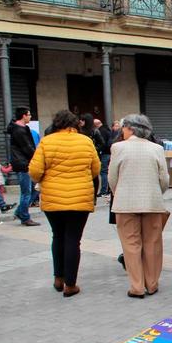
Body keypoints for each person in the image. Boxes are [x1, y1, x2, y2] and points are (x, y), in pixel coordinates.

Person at [29, 109, 101, 297]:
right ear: (75, 124)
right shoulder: (86, 141)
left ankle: (58, 278)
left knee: (57, 236)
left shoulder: (46, 142)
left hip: (53, 198)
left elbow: (35, 172)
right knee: (73, 240)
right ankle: (71, 285)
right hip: (79, 198)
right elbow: (96, 169)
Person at [109, 114, 170, 299]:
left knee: (130, 245)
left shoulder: (118, 148)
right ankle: (152, 284)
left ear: (131, 128)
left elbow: (112, 177)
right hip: (152, 203)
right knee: (152, 243)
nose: (122, 132)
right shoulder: (157, 148)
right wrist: (156, 192)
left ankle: (136, 286)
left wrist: (118, 192)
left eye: (124, 128)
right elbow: (164, 179)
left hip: (125, 203)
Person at [7, 106, 40, 227]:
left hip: (25, 162)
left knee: (35, 189)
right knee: (27, 191)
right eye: (29, 114)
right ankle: (25, 217)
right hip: (23, 163)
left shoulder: (22, 128)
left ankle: (20, 211)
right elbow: (27, 147)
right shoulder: (19, 130)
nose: (30, 116)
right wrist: (37, 156)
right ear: (24, 116)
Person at [79, 113, 107, 203]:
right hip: (81, 156)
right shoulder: (78, 130)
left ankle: (93, 196)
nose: (81, 122)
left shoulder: (94, 131)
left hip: (92, 156)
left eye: (83, 120)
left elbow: (102, 143)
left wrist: (94, 149)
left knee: (94, 176)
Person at [94, 118, 112, 197]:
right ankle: (107, 189)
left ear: (96, 124)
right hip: (109, 153)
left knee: (103, 172)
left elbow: (103, 143)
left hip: (105, 154)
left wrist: (99, 150)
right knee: (107, 171)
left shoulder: (101, 131)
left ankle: (103, 190)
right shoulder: (107, 129)